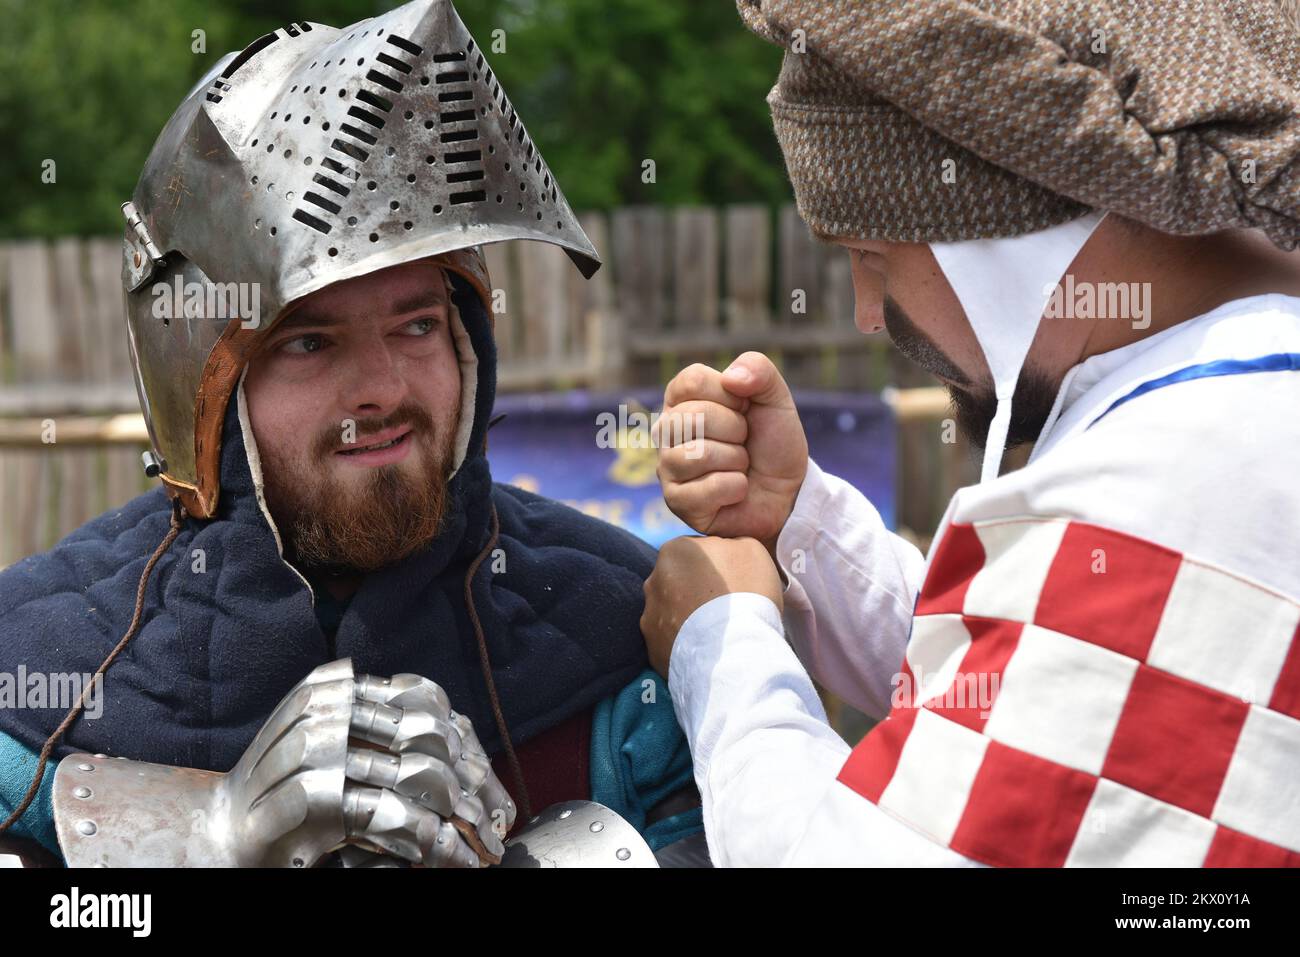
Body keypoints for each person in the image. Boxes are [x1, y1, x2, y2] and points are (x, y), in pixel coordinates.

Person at [0, 0, 700, 868]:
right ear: (207, 393)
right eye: (308, 342)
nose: (382, 389)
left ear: (466, 345)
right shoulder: (38, 670)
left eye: (414, 326)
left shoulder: (621, 629)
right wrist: (204, 839)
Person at [640, 0, 1300, 866]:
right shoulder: (1230, 414)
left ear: (1007, 241)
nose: (868, 314)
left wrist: (719, 645)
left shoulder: (1175, 481)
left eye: (874, 257)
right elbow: (1035, 693)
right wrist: (800, 525)